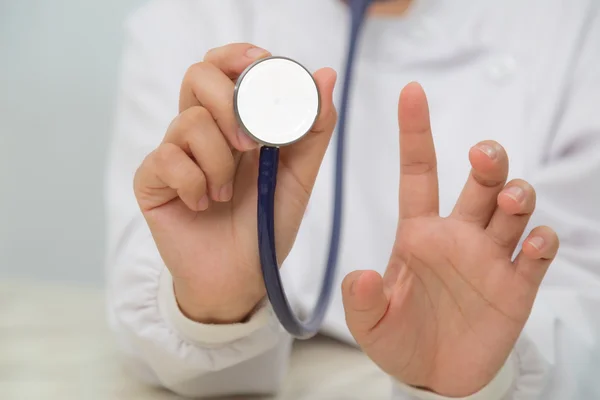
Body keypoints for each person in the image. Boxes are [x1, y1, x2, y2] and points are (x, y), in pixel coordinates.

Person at [104, 0, 600, 398]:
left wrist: (494, 372)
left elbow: (588, 305)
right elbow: (153, 340)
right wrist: (211, 309)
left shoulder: (577, 27)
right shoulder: (186, 18)